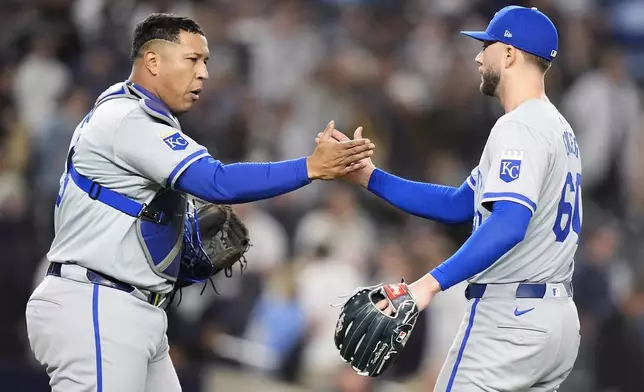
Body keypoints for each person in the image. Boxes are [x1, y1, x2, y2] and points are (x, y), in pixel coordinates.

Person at [24, 13, 374, 392]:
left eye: (206, 61)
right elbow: (216, 182)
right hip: (96, 304)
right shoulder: (128, 119)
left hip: (127, 306)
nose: (204, 72)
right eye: (192, 59)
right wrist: (310, 166)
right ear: (152, 61)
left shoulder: (139, 118)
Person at [324, 6, 582, 391]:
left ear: (510, 54)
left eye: (487, 46)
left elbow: (510, 223)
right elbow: (459, 203)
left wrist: (428, 284)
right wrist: (369, 177)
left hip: (510, 318)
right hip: (555, 321)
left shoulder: (519, 126)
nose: (478, 57)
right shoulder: (558, 129)